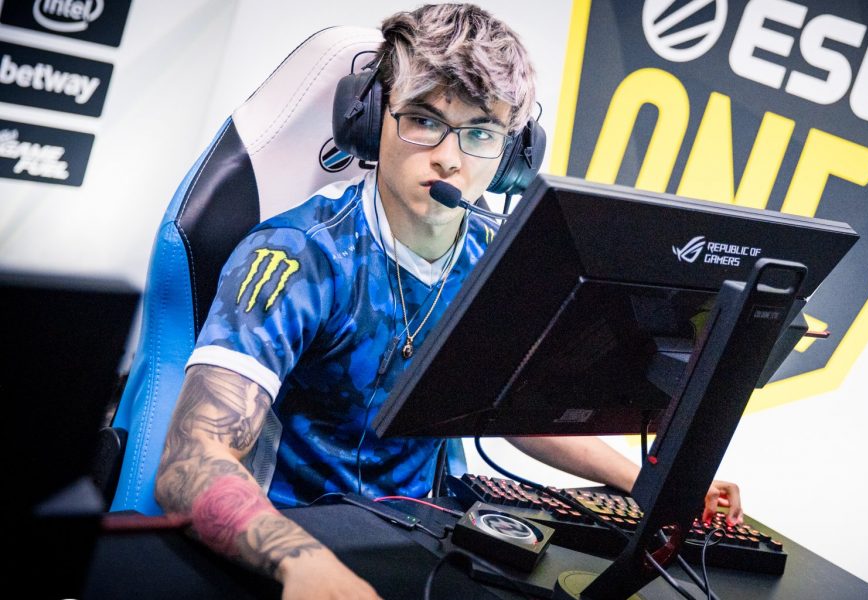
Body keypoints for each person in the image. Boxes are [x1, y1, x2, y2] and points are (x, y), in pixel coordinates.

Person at [154, 4, 742, 598]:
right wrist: (298, 562)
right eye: (423, 120)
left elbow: (502, 405)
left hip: (422, 543)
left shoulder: (497, 260)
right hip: (293, 541)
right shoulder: (296, 255)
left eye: (480, 133)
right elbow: (191, 459)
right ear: (372, 119)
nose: (449, 158)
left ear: (512, 155)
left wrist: (645, 483)